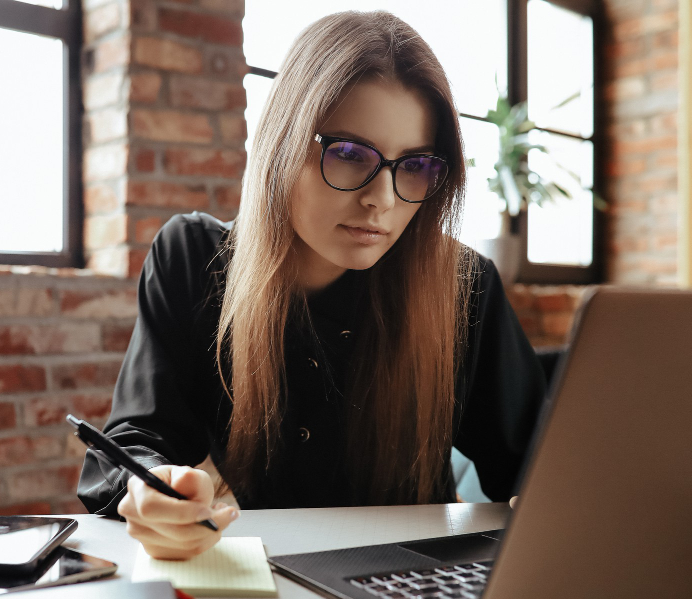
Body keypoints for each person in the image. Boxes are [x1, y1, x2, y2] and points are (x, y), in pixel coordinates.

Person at [77, 10, 546, 560]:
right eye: (349, 155)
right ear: (284, 143)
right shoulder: (195, 259)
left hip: (420, 589)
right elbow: (134, 443)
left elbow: (540, 464)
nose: (384, 200)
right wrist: (154, 489)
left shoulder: (462, 287)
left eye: (414, 164)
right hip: (270, 584)